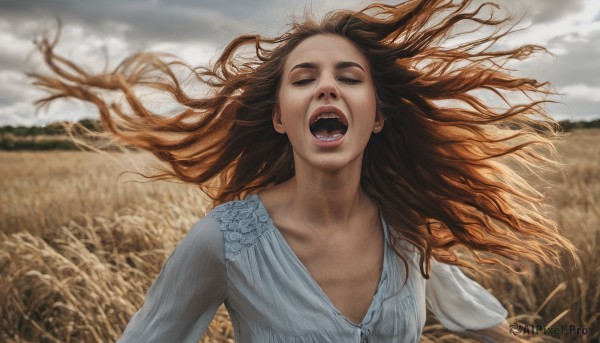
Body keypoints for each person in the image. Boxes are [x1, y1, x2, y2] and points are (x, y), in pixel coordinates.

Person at [31, 0, 575, 341]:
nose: (327, 86)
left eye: (349, 76)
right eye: (304, 77)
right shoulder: (225, 241)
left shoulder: (406, 230)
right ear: (279, 117)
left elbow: (479, 319)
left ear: (378, 116)